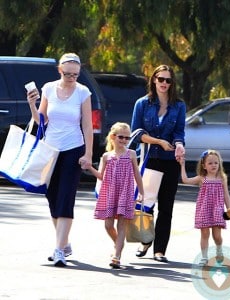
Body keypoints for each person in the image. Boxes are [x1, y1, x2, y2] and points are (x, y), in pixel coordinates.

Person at [27, 53, 93, 267]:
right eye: (68, 74)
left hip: (73, 148)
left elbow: (87, 126)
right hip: (51, 149)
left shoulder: (83, 92)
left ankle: (58, 250)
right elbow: (41, 121)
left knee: (66, 196)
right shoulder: (48, 88)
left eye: (76, 74)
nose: (72, 77)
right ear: (59, 71)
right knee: (52, 196)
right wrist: (32, 105)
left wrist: (88, 154)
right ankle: (64, 242)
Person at [131, 64, 186, 262]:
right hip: (149, 159)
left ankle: (160, 250)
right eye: (160, 79)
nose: (164, 83)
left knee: (166, 206)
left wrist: (179, 145)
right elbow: (136, 133)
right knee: (146, 203)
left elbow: (179, 132)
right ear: (154, 80)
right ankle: (145, 240)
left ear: (172, 83)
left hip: (169, 160)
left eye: (168, 80)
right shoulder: (142, 104)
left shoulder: (179, 106)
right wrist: (158, 142)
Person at [88, 122, 144, 269]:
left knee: (121, 226)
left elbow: (137, 175)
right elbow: (101, 176)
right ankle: (118, 243)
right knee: (108, 225)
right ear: (113, 137)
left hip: (125, 193)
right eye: (121, 137)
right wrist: (89, 167)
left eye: (127, 138)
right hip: (110, 193)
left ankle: (117, 255)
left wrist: (141, 192)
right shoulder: (106, 156)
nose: (124, 140)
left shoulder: (131, 154)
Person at [179, 149, 230, 266]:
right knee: (204, 234)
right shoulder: (202, 178)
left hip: (217, 209)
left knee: (217, 236)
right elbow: (185, 180)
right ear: (204, 166)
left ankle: (219, 250)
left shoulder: (222, 178)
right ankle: (204, 257)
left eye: (216, 163)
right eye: (210, 163)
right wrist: (182, 165)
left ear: (219, 163)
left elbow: (226, 194)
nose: (214, 165)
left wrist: (229, 209)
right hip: (204, 208)